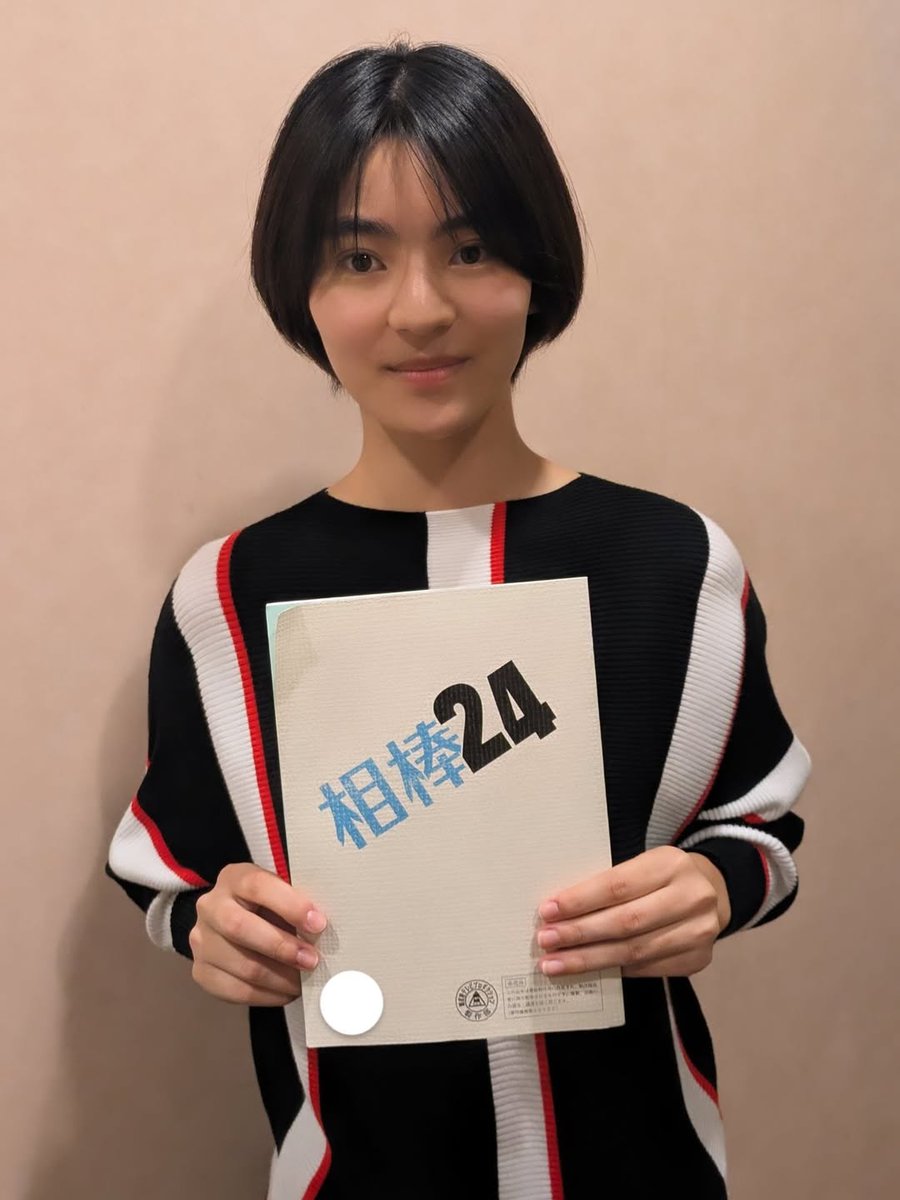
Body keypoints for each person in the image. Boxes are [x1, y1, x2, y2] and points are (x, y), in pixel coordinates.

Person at [106, 37, 811, 1200]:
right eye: (360, 258)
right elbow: (168, 869)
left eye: (471, 249)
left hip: (644, 1168)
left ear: (537, 267)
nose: (422, 308)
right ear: (302, 288)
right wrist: (209, 929)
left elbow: (762, 825)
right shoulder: (226, 596)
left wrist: (720, 887)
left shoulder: (675, 564)